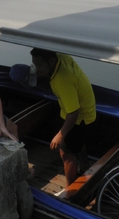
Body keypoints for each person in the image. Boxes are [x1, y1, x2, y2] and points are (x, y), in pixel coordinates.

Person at [30, 48, 96, 186]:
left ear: (52, 61)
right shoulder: (61, 56)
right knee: (77, 144)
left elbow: (74, 112)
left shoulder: (62, 80)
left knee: (66, 153)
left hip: (79, 118)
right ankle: (85, 167)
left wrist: (61, 134)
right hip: (86, 111)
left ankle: (70, 190)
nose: (37, 69)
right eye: (34, 64)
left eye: (40, 65)